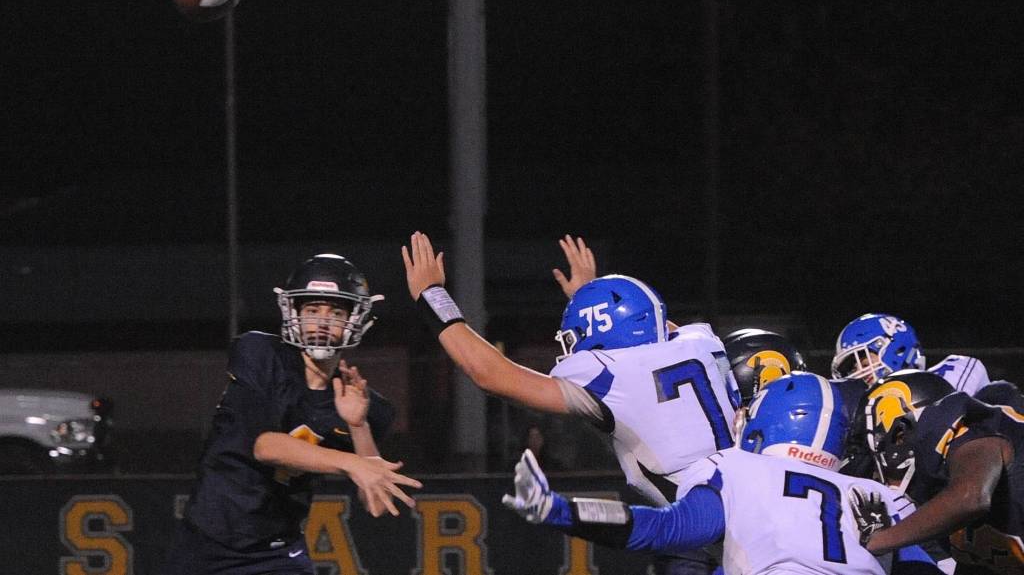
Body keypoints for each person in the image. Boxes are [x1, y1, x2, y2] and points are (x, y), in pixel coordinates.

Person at [403, 231, 737, 573]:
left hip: (713, 534)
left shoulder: (611, 375)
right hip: (750, 510)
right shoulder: (697, 342)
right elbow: (650, 323)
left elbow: (491, 374)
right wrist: (591, 297)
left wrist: (433, 296)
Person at [503, 372, 945, 575]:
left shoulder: (735, 467)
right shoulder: (876, 494)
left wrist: (558, 509)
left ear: (766, 420)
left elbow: (668, 528)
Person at [161, 253, 421, 575]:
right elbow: (265, 447)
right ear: (292, 311)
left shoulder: (366, 406)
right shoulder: (261, 355)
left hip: (277, 553)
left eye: (336, 311)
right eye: (312, 310)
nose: (323, 322)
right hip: (205, 544)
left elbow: (377, 503)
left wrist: (358, 426)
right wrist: (352, 462)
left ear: (356, 319)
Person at [855, 369, 1024, 574]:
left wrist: (875, 542)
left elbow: (970, 497)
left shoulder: (970, 429)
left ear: (900, 436)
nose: (874, 472)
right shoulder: (944, 506)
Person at [831, 313, 990, 394]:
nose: (859, 374)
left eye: (864, 364)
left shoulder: (952, 373)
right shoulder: (861, 419)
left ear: (897, 351)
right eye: (853, 369)